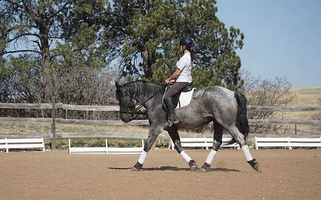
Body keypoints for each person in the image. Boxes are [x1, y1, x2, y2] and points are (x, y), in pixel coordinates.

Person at [164, 37, 194, 126]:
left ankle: (173, 117)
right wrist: (174, 80)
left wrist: (168, 79)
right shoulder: (190, 57)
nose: (179, 47)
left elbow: (177, 72)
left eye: (180, 45)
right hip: (185, 80)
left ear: (184, 47)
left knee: (167, 96)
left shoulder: (184, 58)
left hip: (182, 81)